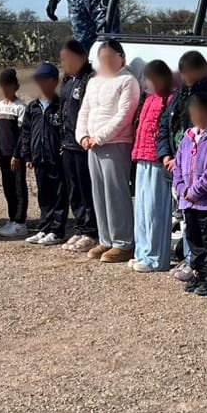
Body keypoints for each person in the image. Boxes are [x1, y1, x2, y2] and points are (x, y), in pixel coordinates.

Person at [76, 39, 140, 263]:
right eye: (101, 58)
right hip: (92, 144)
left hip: (115, 143)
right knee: (99, 192)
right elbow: (85, 110)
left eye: (109, 57)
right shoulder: (94, 81)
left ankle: (123, 242)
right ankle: (106, 238)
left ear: (120, 57)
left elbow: (124, 115)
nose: (105, 62)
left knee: (116, 193)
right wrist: (82, 135)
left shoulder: (128, 80)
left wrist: (100, 137)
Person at [158, 50, 207, 283]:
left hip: (193, 167)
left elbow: (198, 133)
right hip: (175, 165)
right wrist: (165, 154)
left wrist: (178, 160)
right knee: (181, 215)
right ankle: (189, 256)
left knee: (195, 220)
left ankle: (197, 263)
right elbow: (166, 122)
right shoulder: (180, 94)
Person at [172, 91, 207, 297]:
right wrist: (181, 188)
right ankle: (200, 274)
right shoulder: (188, 137)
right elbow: (178, 165)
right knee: (194, 239)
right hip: (188, 202)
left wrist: (195, 192)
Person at [131, 59, 174, 273]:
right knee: (141, 210)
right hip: (141, 157)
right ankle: (142, 251)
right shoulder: (149, 98)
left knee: (155, 210)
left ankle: (155, 257)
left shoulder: (170, 98)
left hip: (157, 160)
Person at [21, 63, 69, 246]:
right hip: (38, 157)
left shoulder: (60, 105)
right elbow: (26, 132)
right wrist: (27, 156)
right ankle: (44, 228)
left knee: (58, 194)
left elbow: (66, 129)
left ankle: (57, 230)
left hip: (56, 157)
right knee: (44, 194)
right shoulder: (33, 107)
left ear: (55, 82)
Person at [59, 39, 99, 253]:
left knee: (86, 188)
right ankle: (81, 226)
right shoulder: (68, 80)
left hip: (83, 143)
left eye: (68, 58)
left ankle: (92, 230)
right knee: (74, 189)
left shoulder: (90, 79)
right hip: (67, 143)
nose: (64, 63)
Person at [0, 68, 29, 238]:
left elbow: (23, 135)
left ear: (16, 86)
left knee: (18, 187)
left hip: (16, 156)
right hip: (3, 155)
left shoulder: (21, 108)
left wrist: (17, 155)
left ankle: (20, 222)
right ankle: (12, 218)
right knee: (8, 188)